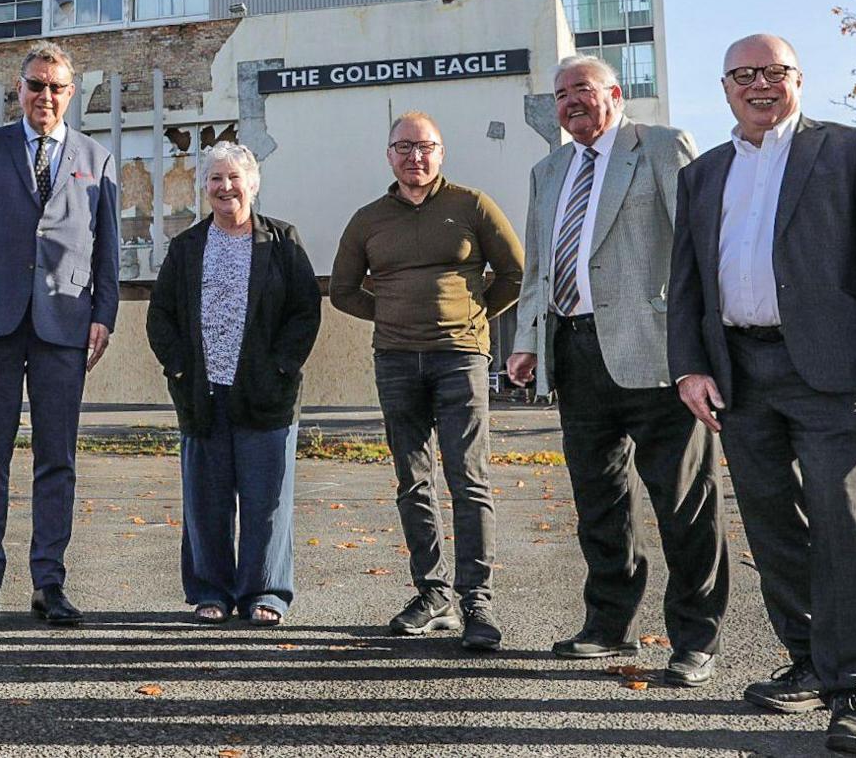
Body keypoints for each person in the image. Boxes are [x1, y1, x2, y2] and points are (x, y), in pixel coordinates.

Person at [669, 34, 856, 758]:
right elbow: (687, 279)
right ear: (724, 89)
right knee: (771, 523)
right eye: (742, 75)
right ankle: (809, 657)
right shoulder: (705, 173)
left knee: (842, 521)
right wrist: (688, 365)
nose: (758, 85)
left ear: (798, 80)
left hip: (835, 373)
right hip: (739, 374)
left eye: (772, 72)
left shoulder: (850, 149)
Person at [505, 55, 729, 688]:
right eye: (560, 95)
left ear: (614, 93)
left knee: (684, 504)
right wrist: (527, 339)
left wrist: (700, 352)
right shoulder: (548, 169)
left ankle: (694, 639)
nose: (570, 101)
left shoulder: (659, 146)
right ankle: (608, 624)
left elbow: (698, 251)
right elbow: (539, 266)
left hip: (658, 358)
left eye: (582, 89)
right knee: (597, 503)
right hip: (575, 352)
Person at [330, 111, 524, 651]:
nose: (415, 157)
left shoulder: (472, 205)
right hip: (395, 360)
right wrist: (392, 313)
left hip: (460, 357)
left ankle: (477, 600)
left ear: (441, 152)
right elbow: (343, 290)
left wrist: (474, 315)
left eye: (426, 147)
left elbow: (513, 273)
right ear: (388, 155)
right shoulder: (368, 219)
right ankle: (432, 594)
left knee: (468, 479)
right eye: (404, 147)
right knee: (413, 480)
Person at [0, 40, 120, 628]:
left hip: (65, 323)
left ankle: (49, 582)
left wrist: (104, 314)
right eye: (35, 84)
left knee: (57, 462)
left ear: (71, 94)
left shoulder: (95, 157)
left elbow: (107, 249)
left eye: (56, 86)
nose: (45, 95)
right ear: (19, 89)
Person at [147, 142, 321, 627]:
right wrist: (179, 369)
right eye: (215, 179)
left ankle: (265, 591)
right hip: (203, 394)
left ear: (253, 184)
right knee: (207, 501)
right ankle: (211, 591)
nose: (226, 188)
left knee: (268, 502)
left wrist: (283, 367)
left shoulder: (282, 242)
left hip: (266, 395)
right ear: (205, 188)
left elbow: (306, 310)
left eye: (234, 178)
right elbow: (160, 315)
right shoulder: (186, 248)